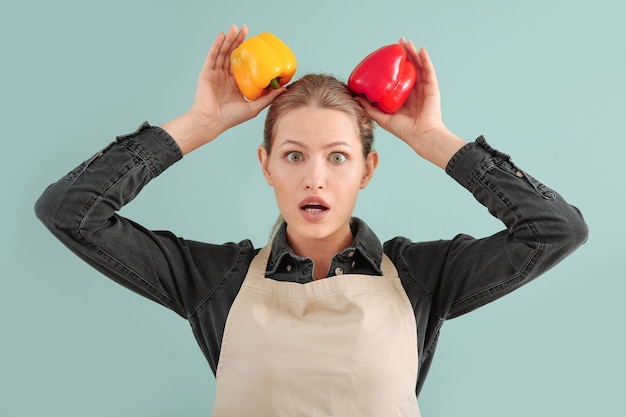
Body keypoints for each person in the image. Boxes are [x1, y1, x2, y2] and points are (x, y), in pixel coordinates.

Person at [35, 24, 588, 416]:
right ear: (266, 165)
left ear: (367, 170)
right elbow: (70, 212)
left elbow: (555, 229)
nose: (314, 179)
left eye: (338, 156)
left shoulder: (423, 277)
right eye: (294, 155)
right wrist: (200, 123)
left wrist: (433, 140)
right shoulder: (214, 282)